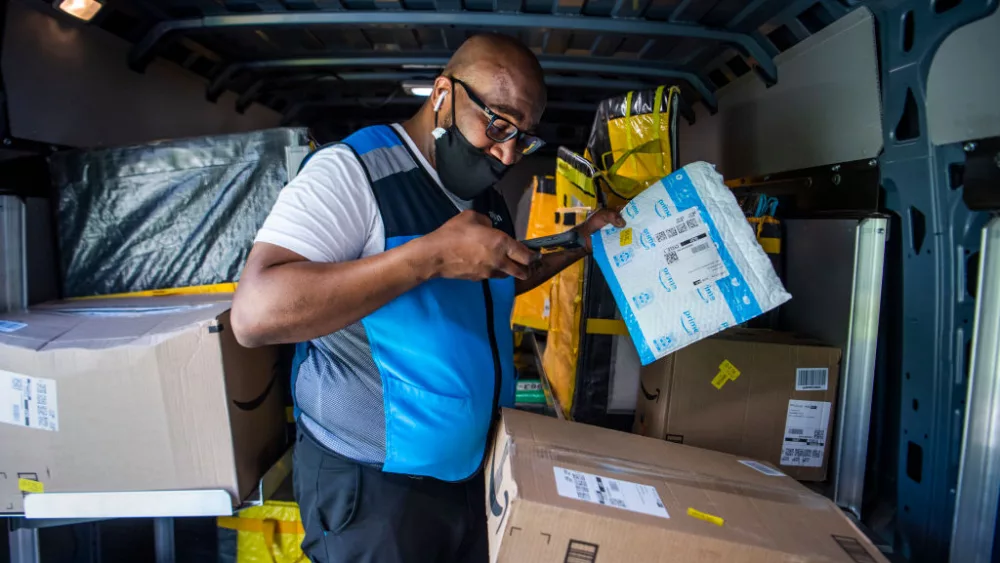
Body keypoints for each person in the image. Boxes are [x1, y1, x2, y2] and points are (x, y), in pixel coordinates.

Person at [231, 33, 624, 563]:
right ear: (443, 93)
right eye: (498, 123)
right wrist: (429, 256)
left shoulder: (481, 192)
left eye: (524, 137)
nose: (508, 152)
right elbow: (255, 314)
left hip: (470, 474)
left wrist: (580, 242)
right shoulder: (352, 172)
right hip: (375, 489)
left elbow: (498, 279)